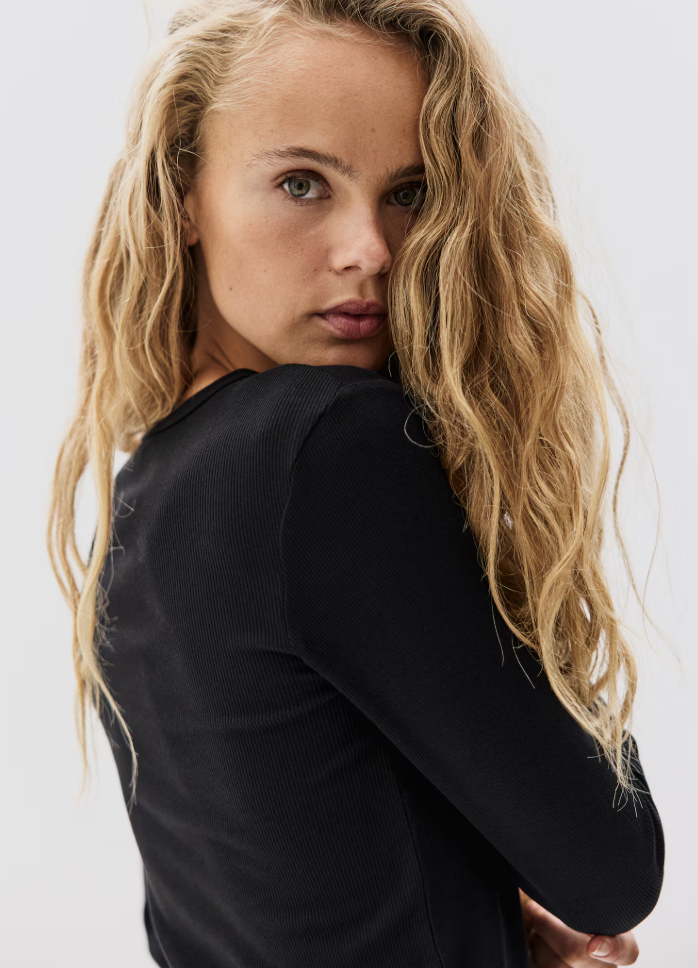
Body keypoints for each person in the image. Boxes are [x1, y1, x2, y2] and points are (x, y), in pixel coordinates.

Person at [47, 0, 665, 965]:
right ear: (183, 194)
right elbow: (611, 869)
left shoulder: (145, 492)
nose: (370, 250)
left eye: (410, 193)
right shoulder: (328, 444)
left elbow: (280, 865)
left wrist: (477, 913)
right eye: (303, 183)